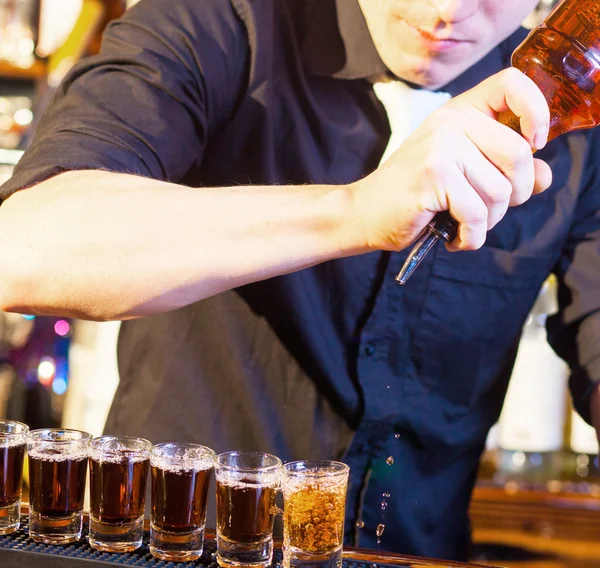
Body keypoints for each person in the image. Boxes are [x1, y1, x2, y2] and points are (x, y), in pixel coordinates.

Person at [0, 0, 597, 561]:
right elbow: (23, 247)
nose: (445, 9)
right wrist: (353, 211)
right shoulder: (226, 20)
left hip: (415, 553)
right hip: (180, 550)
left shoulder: (573, 112)